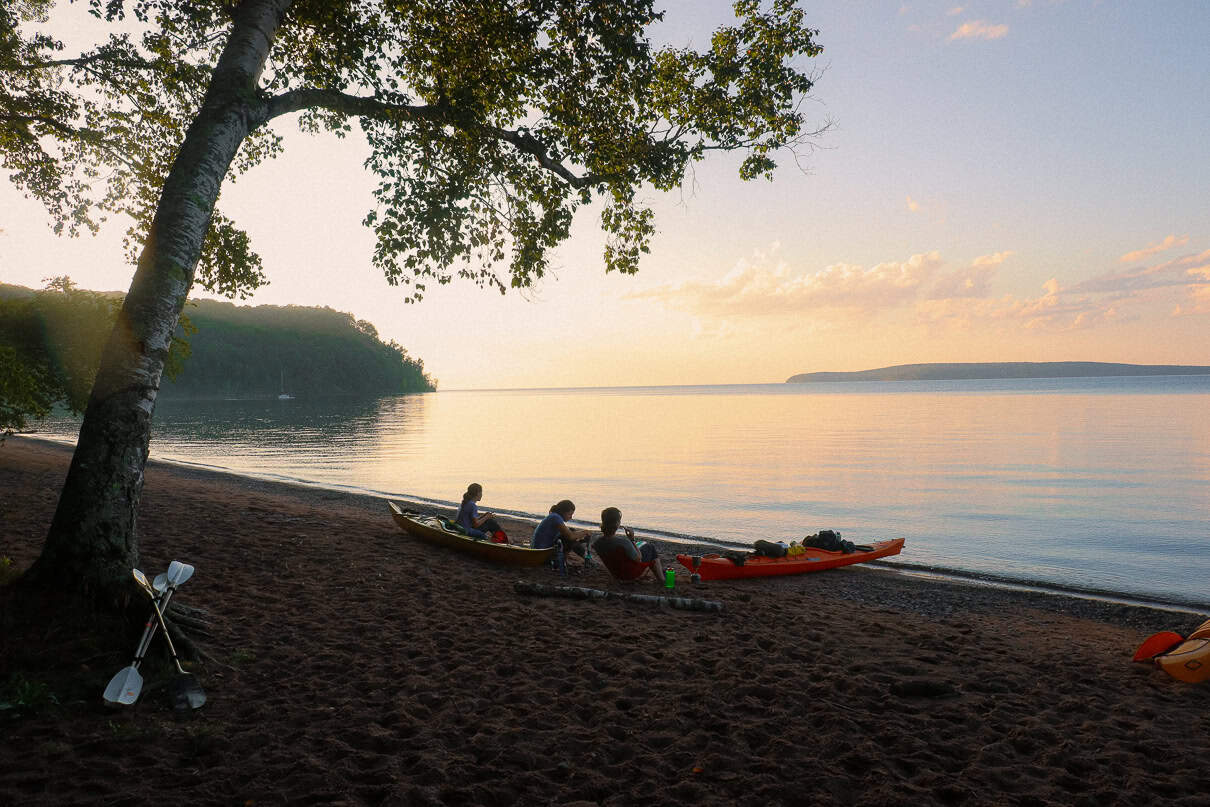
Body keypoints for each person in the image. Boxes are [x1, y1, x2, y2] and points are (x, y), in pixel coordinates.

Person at [592, 507, 664, 583]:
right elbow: (639, 558)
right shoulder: (623, 542)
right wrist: (632, 539)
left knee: (641, 545)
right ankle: (661, 579)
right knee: (650, 548)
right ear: (617, 523)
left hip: (616, 573)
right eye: (619, 520)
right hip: (631, 574)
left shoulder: (597, 542)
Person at [530, 499, 590, 564]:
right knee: (569, 538)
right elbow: (570, 536)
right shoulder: (556, 518)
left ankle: (580, 557)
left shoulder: (554, 516)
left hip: (539, 551)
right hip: (541, 553)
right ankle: (586, 558)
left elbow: (569, 533)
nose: (571, 517)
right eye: (570, 514)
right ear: (563, 512)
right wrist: (585, 532)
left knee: (570, 531)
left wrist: (581, 534)